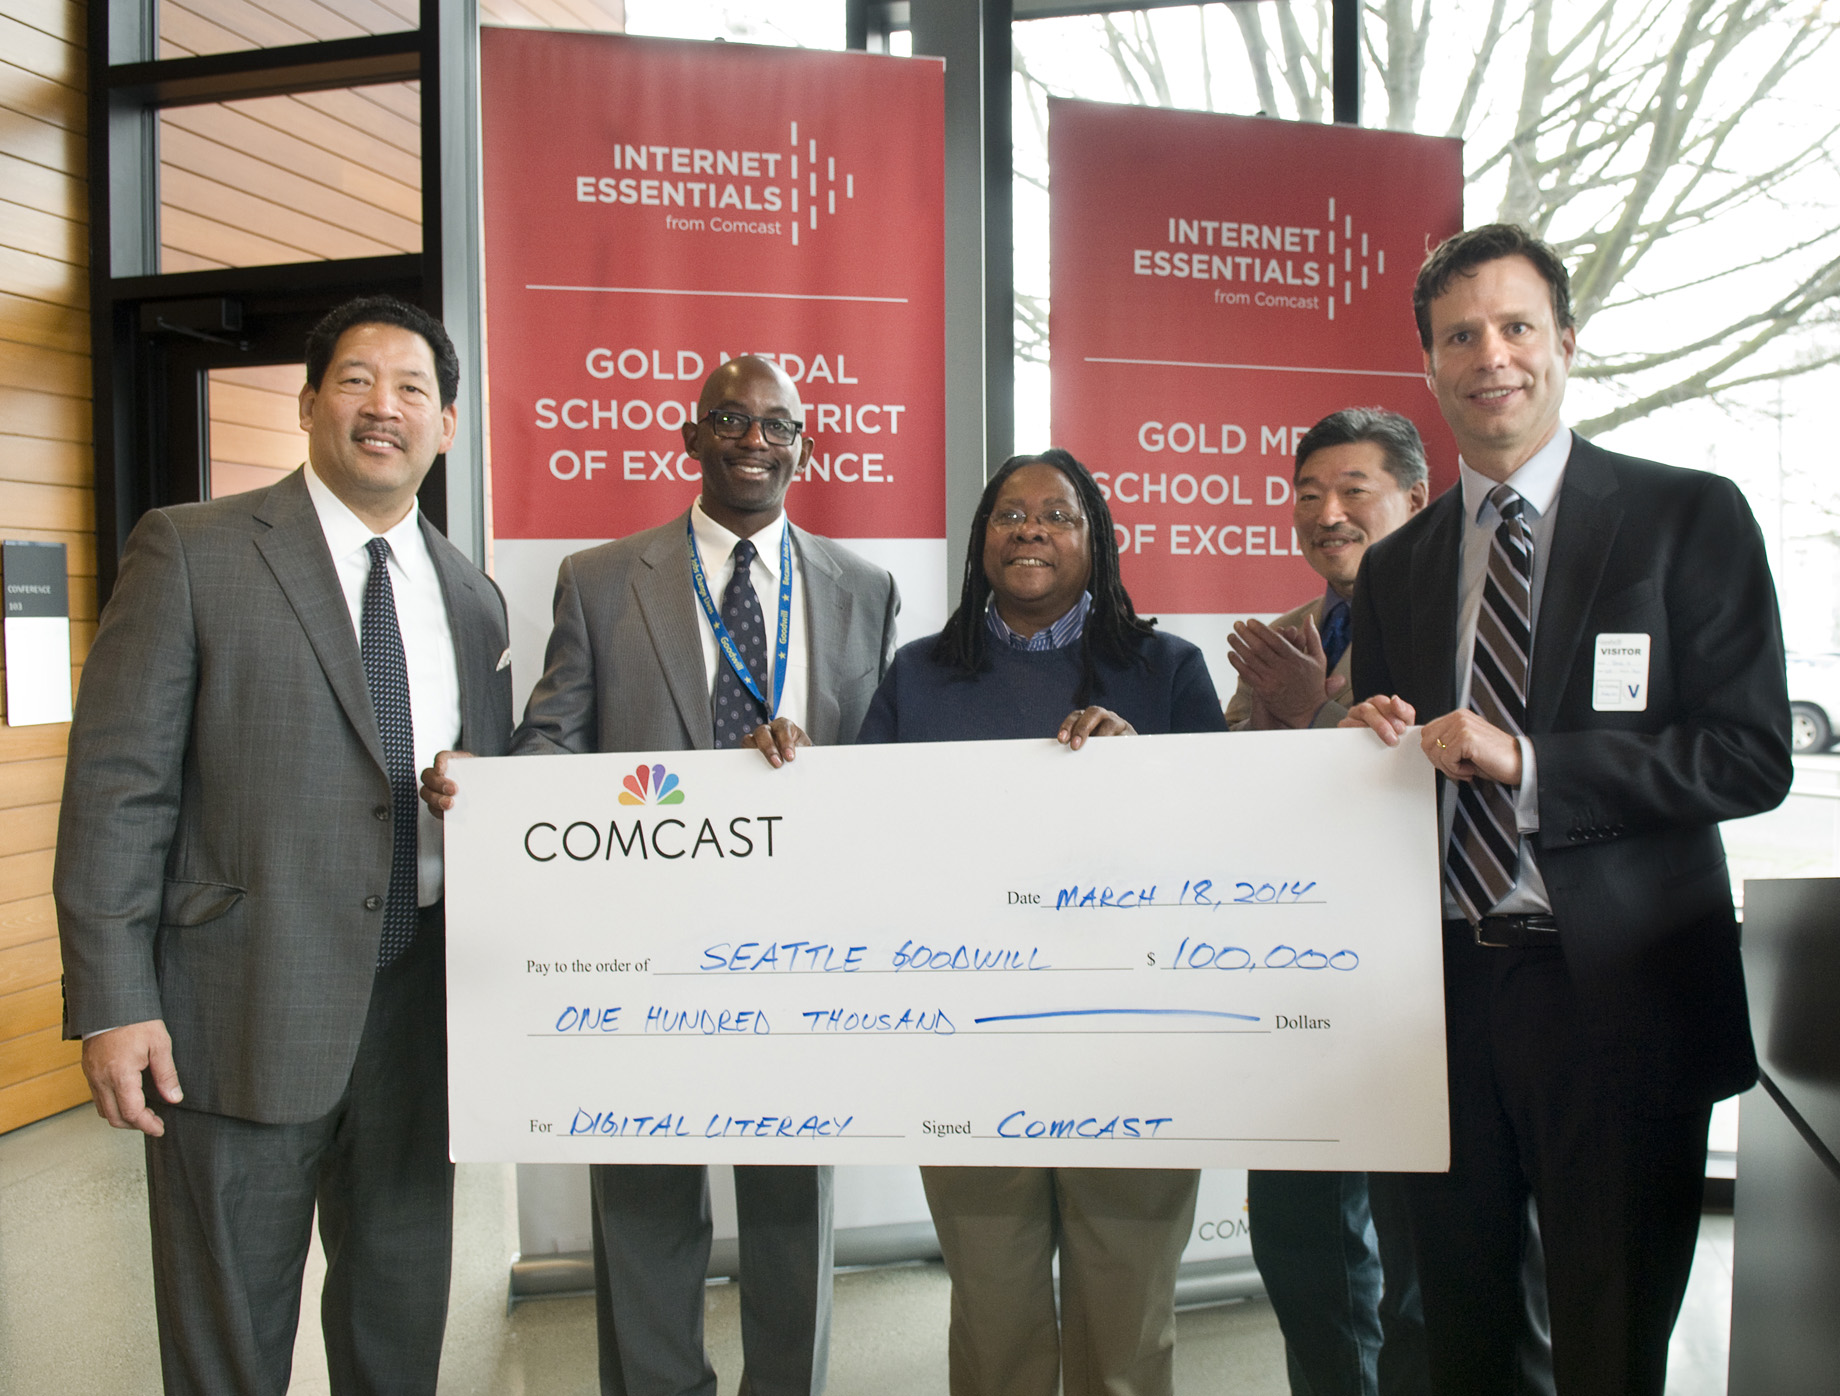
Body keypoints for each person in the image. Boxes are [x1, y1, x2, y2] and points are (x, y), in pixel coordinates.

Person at [1342, 223, 1792, 1395]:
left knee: (1609, 1344)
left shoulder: (1687, 517)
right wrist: (1359, 759)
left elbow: (1749, 756)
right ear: (1429, 366)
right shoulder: (1398, 567)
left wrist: (1530, 764)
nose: (1489, 355)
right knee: (1461, 1335)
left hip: (1621, 1001)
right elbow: (1398, 783)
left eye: (1514, 327)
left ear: (1563, 343)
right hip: (1437, 1006)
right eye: (1459, 336)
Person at [55, 295, 515, 1394]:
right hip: (237, 1004)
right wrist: (114, 998)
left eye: (411, 390)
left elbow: (493, 799)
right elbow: (117, 790)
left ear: (446, 423)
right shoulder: (192, 550)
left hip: (421, 1009)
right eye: (356, 382)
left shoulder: (474, 597)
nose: (383, 409)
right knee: (228, 1332)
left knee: (398, 1310)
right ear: (308, 404)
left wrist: (478, 798)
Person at [424, 354, 899, 1396]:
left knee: (788, 1206)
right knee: (641, 1200)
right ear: (688, 439)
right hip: (637, 957)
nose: (752, 440)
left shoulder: (864, 589)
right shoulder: (602, 578)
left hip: (798, 950)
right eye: (728, 418)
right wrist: (493, 793)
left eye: (778, 424)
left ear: (804, 447)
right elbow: (552, 741)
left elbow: (887, 764)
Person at [856, 448, 1226, 1396]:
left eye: (1058, 515)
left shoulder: (1169, 670)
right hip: (970, 1036)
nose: (1030, 529)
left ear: (1096, 542)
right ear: (980, 540)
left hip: (1133, 1038)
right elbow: (862, 842)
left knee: (1128, 1311)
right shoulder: (917, 677)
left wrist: (1143, 769)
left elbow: (1224, 857)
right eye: (1009, 514)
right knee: (993, 1309)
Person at [1225, 408, 1433, 1396]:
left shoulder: (1461, 620)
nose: (1328, 513)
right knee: (1296, 1243)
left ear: (1414, 499)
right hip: (1295, 984)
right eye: (1308, 494)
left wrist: (1313, 711)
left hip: (1424, 991)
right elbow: (1235, 802)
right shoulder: (1288, 635)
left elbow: (1444, 791)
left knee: (1418, 1273)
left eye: (1354, 490)